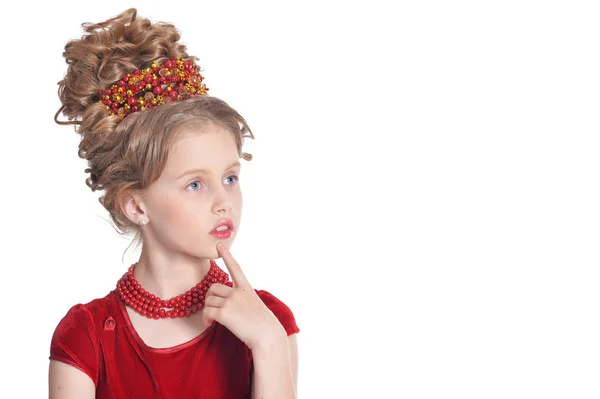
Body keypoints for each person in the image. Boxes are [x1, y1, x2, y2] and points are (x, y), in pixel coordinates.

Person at [49, 8, 299, 399]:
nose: (223, 202)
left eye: (230, 178)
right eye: (195, 184)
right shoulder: (87, 336)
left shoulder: (268, 322)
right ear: (136, 206)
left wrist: (268, 344)